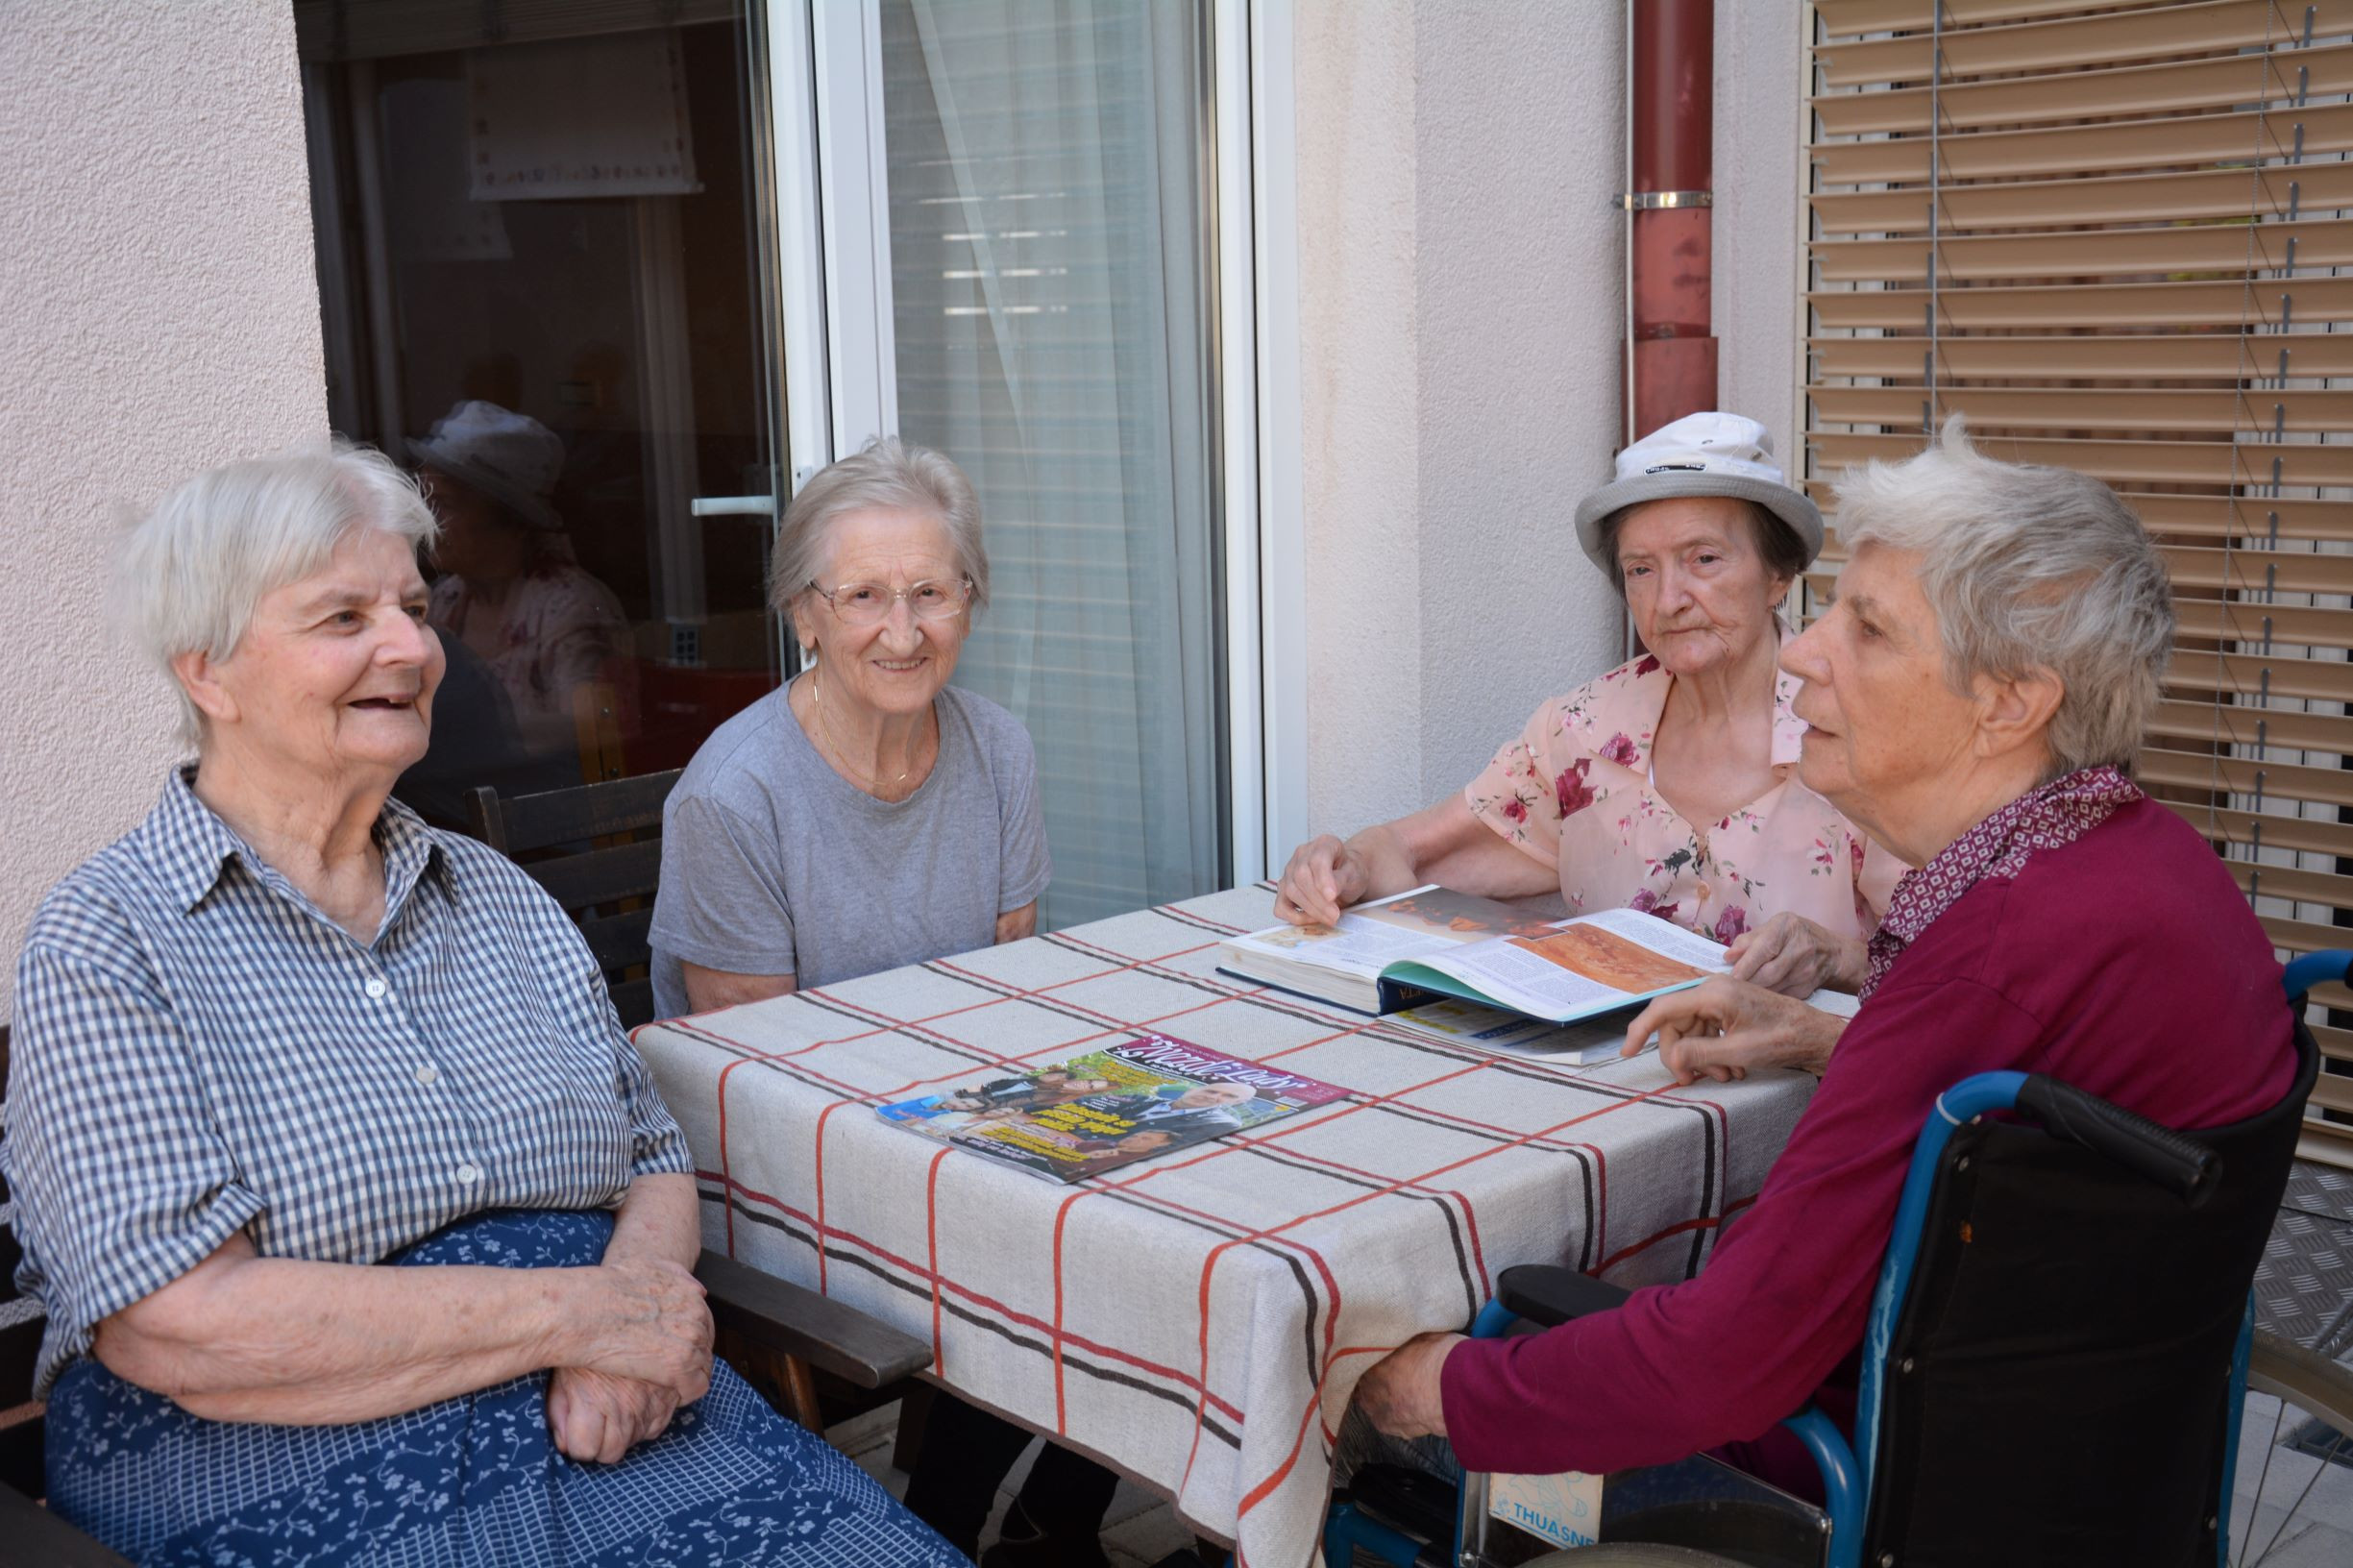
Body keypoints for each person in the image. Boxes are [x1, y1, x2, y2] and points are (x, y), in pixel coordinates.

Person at [2, 446, 965, 1565]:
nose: (413, 647)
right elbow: (177, 1323)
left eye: (413, 606)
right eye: (343, 617)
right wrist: (584, 1316)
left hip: (610, 1408)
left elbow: (649, 1152)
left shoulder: (494, 895)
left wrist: (630, 1313)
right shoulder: (108, 941)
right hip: (277, 1452)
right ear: (207, 672)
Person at [1349, 420, 2299, 1493]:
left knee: (1366, 1341)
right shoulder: (2142, 862)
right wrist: (1819, 1044)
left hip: (1870, 1466)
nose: (1804, 652)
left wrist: (1435, 1389)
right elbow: (1997, 1108)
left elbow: (1715, 1368)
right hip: (2069, 1455)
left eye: (1869, 629)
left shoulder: (1994, 951)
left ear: (2008, 704)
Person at [644, 439, 1114, 1566]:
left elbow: (1015, 986)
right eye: (863, 596)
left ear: (970, 602)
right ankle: (938, 1530)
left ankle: (1058, 1518)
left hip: (960, 1123)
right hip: (794, 1167)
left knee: (1152, 1205)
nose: (902, 631)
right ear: (804, 612)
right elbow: (752, 1084)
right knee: (1052, 1247)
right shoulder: (736, 792)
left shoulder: (996, 747)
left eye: (931, 592)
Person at [1275, 411, 1902, 997]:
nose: (1670, 598)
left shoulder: (1861, 733)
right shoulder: (1581, 732)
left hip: (1811, 1091)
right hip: (1620, 1086)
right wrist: (1339, 867)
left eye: (1703, 560)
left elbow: (1954, 964)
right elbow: (1409, 854)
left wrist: (1838, 959)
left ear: (1777, 574)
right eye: (1640, 570)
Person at [412, 399, 634, 763]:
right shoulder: (445, 599)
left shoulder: (569, 606)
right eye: (427, 501)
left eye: (447, 504)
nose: (428, 520)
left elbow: (591, 727)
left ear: (512, 523)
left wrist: (468, 731)